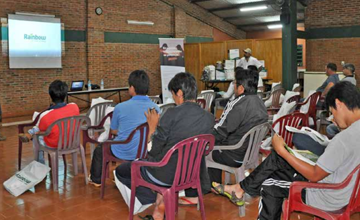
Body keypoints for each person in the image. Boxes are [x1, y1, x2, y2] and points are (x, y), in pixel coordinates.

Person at [213, 81, 360, 220]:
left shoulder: (344, 139)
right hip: (349, 192)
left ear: (339, 104)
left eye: (332, 112)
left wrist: (282, 150)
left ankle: (240, 189)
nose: (332, 117)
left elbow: (315, 175)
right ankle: (239, 189)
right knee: (278, 160)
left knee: (270, 183)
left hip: (326, 195)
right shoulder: (354, 131)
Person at [115, 72, 214, 220]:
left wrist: (152, 128)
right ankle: (158, 208)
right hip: (190, 175)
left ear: (180, 93)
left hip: (165, 176)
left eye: (173, 94)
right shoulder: (208, 117)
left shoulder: (170, 114)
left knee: (122, 171)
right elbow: (205, 149)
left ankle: (141, 206)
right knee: (164, 162)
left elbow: (153, 151)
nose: (173, 98)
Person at [89, 70, 160, 187]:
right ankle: (121, 174)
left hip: (124, 150)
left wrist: (128, 131)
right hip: (144, 151)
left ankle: (96, 180)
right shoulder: (156, 108)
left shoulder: (120, 107)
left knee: (100, 149)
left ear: (132, 88)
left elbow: (113, 131)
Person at [208, 68, 268, 185]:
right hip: (250, 154)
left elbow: (220, 131)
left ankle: (212, 187)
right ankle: (216, 185)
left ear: (241, 88)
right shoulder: (260, 103)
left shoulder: (237, 104)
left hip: (233, 154)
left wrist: (205, 139)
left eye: (234, 83)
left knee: (205, 148)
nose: (233, 86)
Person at [18, 80, 79, 163]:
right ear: (65, 94)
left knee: (36, 136)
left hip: (55, 144)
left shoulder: (46, 115)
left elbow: (40, 131)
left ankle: (40, 165)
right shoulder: (74, 106)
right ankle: (29, 134)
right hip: (72, 142)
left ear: (50, 96)